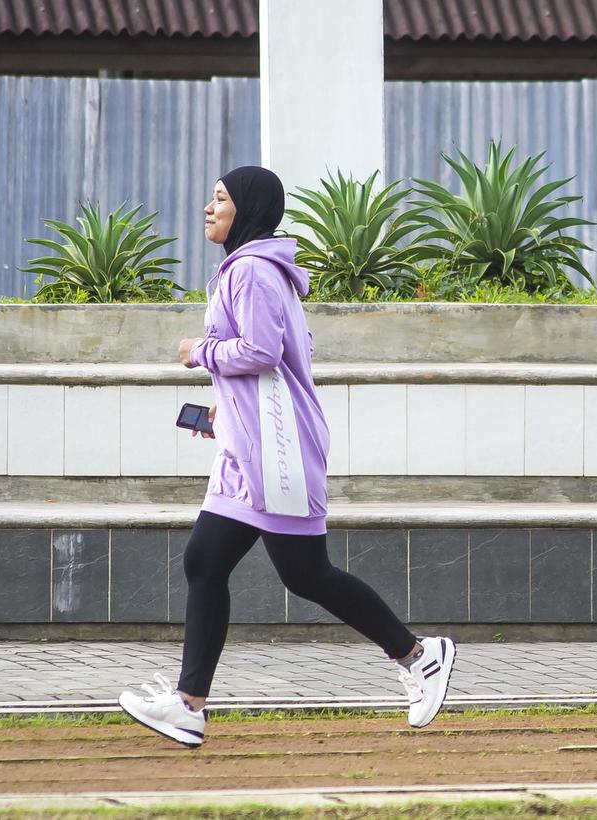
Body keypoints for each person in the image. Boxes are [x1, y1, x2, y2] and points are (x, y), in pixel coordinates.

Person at [118, 165, 456, 747]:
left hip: (277, 450)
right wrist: (226, 412)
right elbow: (263, 364)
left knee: (306, 574)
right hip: (252, 445)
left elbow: (259, 351)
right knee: (207, 562)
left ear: (244, 210)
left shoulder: (251, 271)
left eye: (220, 198)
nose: (209, 207)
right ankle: (189, 704)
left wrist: (198, 352)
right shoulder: (248, 268)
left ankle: (419, 656)